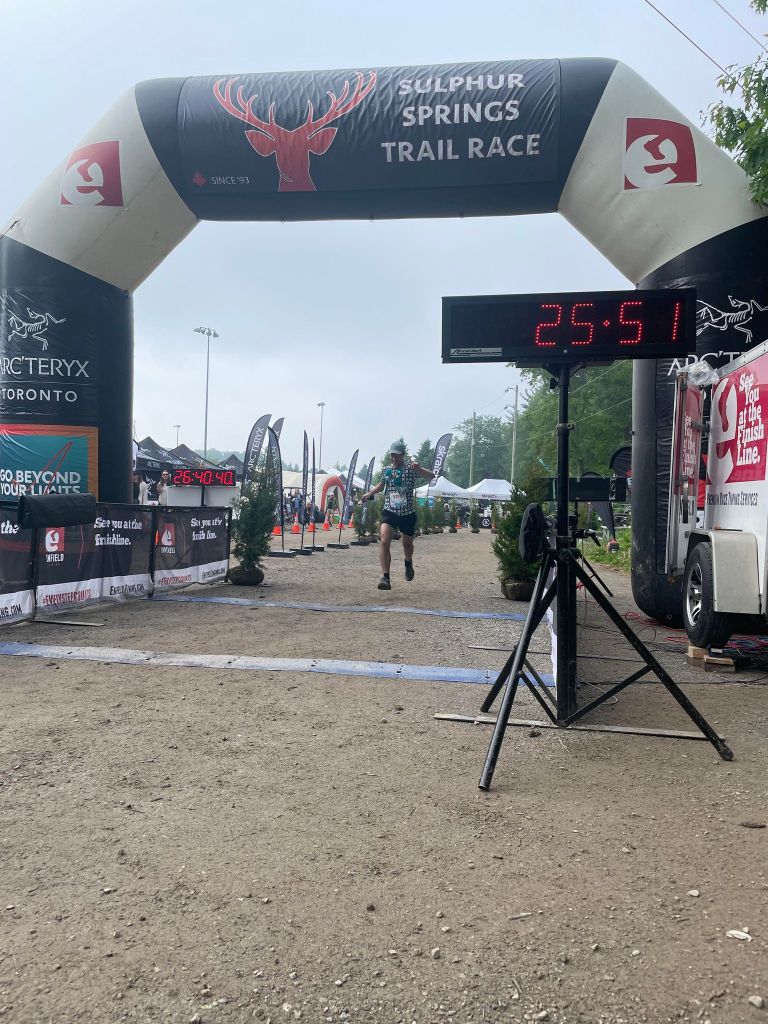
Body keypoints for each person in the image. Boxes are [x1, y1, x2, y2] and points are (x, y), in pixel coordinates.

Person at [360, 441, 434, 590]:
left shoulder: (411, 468)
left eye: (397, 455)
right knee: (384, 540)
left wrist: (419, 468)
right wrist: (370, 493)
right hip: (390, 511)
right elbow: (382, 484)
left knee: (407, 544)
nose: (394, 458)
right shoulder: (386, 470)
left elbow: (431, 476)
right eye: (392, 455)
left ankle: (408, 561)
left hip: (407, 513)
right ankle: (385, 578)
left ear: (403, 455)